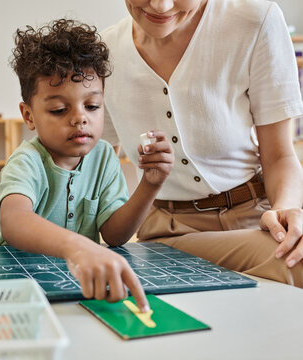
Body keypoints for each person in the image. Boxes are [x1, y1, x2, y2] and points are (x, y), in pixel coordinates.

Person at [101, 0, 303, 286]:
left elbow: (280, 156)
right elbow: (88, 163)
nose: (161, 6)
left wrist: (285, 212)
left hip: (254, 223)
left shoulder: (255, 21)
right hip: (165, 235)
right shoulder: (104, 53)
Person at [0, 19, 175, 312]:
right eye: (59, 109)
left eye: (92, 106)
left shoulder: (104, 158)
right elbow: (14, 222)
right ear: (29, 115)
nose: (79, 118)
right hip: (14, 284)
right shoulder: (28, 160)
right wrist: (79, 246)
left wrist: (150, 184)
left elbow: (114, 234)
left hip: (72, 284)